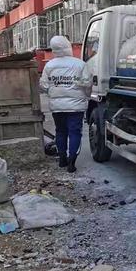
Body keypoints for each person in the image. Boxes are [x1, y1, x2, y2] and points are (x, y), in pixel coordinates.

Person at [40, 36, 92, 173]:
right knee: (75, 132)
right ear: (67, 46)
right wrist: (86, 96)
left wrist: (53, 92)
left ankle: (62, 159)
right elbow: (87, 83)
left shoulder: (49, 65)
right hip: (76, 107)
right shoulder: (79, 64)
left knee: (60, 131)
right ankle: (72, 162)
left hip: (57, 107)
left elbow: (43, 86)